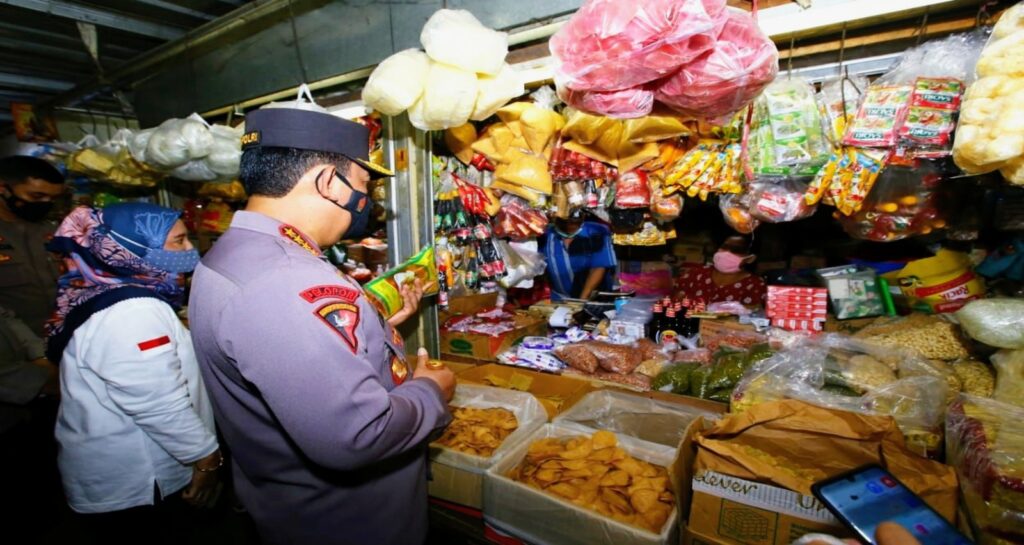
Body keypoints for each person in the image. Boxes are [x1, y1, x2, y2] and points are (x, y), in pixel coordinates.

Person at [188, 108, 455, 545]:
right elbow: (356, 436)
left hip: (290, 507)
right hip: (350, 523)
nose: (368, 202)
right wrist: (431, 390)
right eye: (365, 186)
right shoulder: (286, 280)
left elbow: (289, 345)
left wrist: (374, 322)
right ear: (330, 182)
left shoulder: (236, 254)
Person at [46, 203, 221, 543]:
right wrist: (206, 459)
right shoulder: (134, 311)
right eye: (178, 242)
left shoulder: (101, 288)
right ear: (131, 250)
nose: (190, 251)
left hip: (121, 470)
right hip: (142, 479)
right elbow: (157, 404)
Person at [0, 155, 66, 335]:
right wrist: (34, 351)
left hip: (64, 339)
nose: (45, 204)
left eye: (52, 198)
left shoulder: (52, 232)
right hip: (15, 352)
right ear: (2, 188)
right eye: (37, 195)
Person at [541, 208, 617, 301]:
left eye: (574, 221)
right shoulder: (546, 234)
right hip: (559, 299)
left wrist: (582, 300)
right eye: (564, 221)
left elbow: (598, 267)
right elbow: (538, 265)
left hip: (592, 299)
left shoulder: (597, 231)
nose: (569, 224)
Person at [675, 235, 767, 307]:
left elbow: (752, 316)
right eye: (724, 247)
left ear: (750, 259)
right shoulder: (697, 274)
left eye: (736, 250)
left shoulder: (755, 285)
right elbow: (675, 300)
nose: (727, 253)